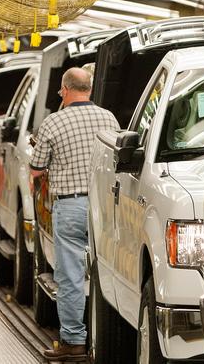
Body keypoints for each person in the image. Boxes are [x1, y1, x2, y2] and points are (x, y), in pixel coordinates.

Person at [30, 67, 119, 361]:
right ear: (90, 90)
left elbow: (36, 167)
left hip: (70, 206)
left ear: (64, 90)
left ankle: (73, 340)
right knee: (105, 271)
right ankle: (106, 337)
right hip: (104, 207)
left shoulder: (53, 122)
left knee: (70, 275)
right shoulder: (109, 118)